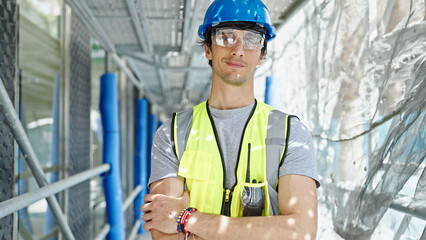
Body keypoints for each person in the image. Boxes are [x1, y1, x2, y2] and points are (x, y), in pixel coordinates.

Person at [141, 0, 320, 239]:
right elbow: (163, 232)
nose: (238, 49)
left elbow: (301, 231)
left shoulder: (290, 134)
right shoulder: (172, 134)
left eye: (251, 39)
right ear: (208, 48)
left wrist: (188, 219)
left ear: (262, 54)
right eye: (225, 36)